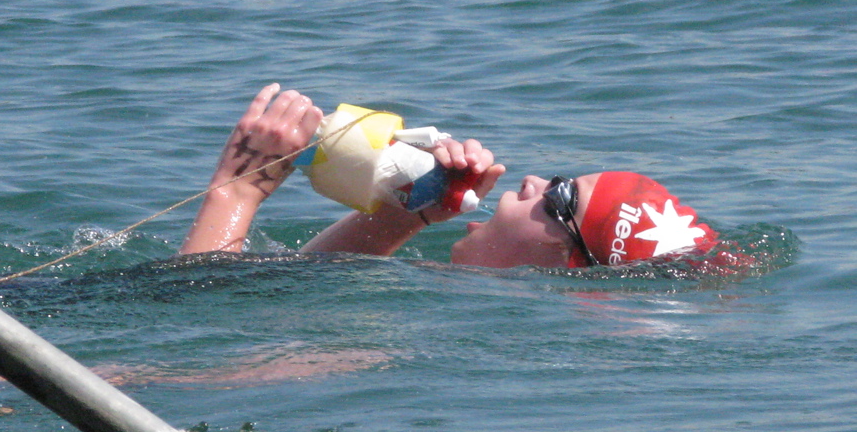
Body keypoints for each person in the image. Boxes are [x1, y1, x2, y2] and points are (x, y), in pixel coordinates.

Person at [180, 84, 720, 269]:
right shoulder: (448, 313)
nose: (533, 180)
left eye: (560, 197)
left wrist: (237, 191)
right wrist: (406, 215)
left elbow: (198, 325)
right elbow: (301, 282)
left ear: (564, 256)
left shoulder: (417, 342)